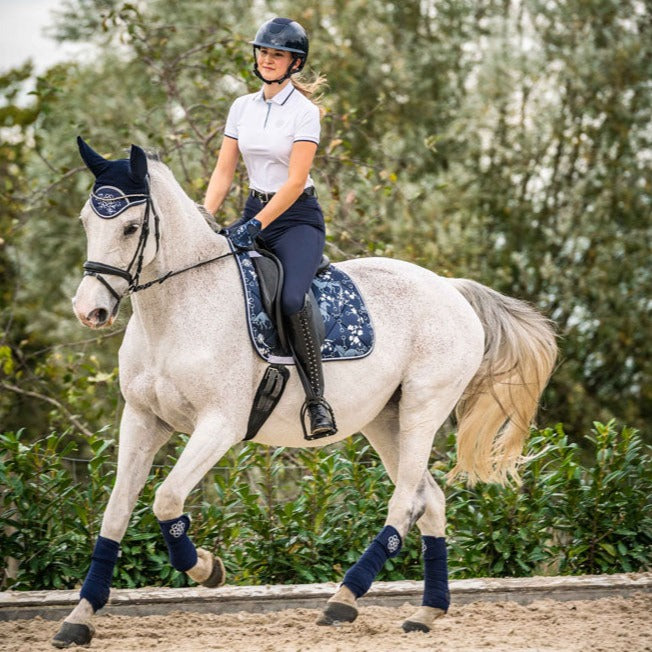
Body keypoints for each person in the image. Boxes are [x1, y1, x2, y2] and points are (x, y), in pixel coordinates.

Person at [203, 17, 336, 438]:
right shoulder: (241, 106)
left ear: (295, 63)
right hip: (253, 207)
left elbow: (295, 181)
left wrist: (255, 226)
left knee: (293, 299)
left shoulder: (304, 112)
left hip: (296, 218)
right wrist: (205, 218)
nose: (268, 59)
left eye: (277, 54)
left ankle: (317, 400)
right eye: (263, 51)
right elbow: (224, 171)